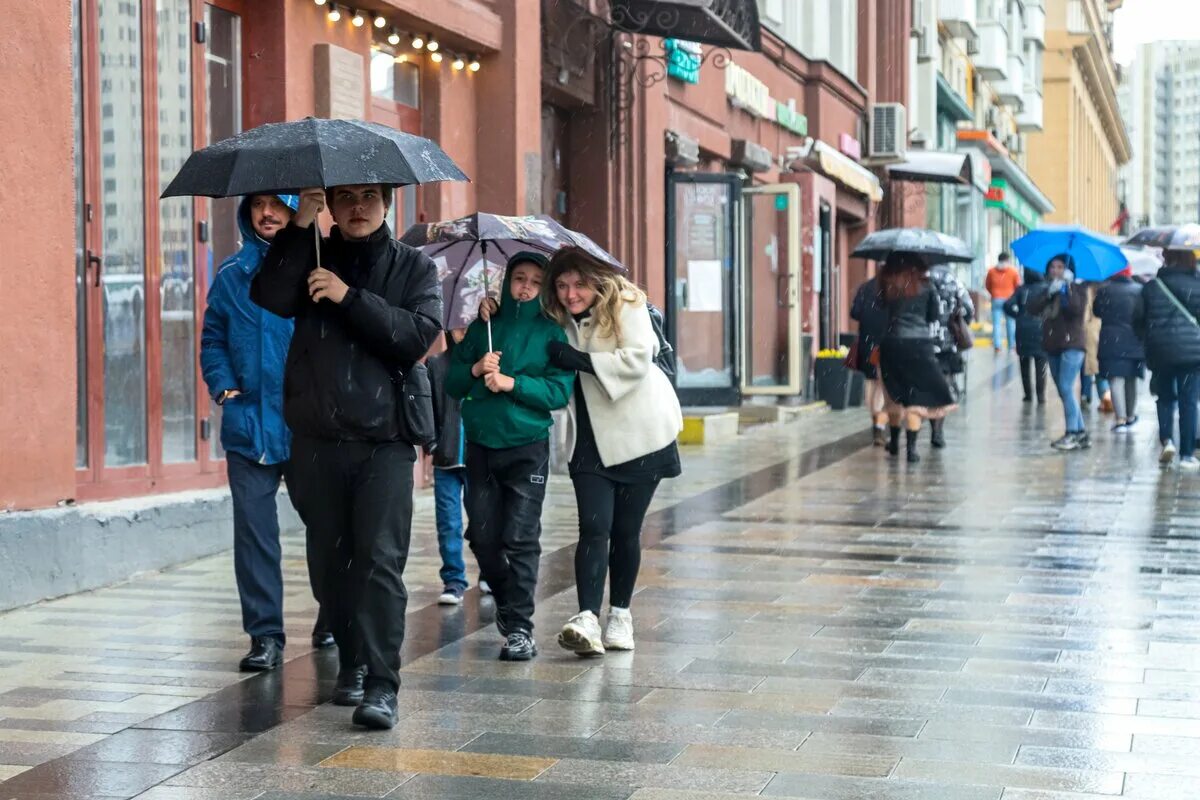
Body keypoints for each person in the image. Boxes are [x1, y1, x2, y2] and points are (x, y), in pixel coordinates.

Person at [251, 184, 443, 730]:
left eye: (368, 196)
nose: (358, 206)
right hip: (317, 439)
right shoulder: (312, 251)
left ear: (386, 203)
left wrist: (347, 296)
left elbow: (416, 336)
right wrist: (298, 226)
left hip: (385, 441)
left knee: (380, 561)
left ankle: (382, 685)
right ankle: (352, 661)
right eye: (345, 198)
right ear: (331, 207)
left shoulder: (414, 268)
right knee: (330, 564)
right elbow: (270, 296)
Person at [532, 247, 684, 657]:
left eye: (579, 284)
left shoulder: (627, 303)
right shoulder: (555, 317)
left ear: (596, 279)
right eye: (562, 285)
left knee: (625, 531)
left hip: (642, 433)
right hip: (589, 439)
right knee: (594, 527)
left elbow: (637, 360)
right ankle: (586, 617)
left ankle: (620, 615)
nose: (570, 294)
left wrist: (580, 360)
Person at [446, 252, 575, 662]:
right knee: (483, 537)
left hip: (527, 446)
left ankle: (520, 627)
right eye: (519, 278)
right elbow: (450, 382)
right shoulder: (486, 325)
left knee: (520, 537)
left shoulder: (553, 332)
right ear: (506, 282)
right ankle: (506, 601)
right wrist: (474, 369)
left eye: (536, 282)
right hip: (482, 445)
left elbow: (559, 391)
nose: (525, 287)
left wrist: (511, 383)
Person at [202, 193, 311, 673]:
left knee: (327, 529)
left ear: (295, 211)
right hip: (248, 426)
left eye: (279, 205)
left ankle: (332, 617)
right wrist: (224, 386)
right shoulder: (231, 276)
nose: (267, 213)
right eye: (258, 205)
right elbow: (213, 339)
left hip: (307, 425)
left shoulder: (317, 272)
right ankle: (265, 634)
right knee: (254, 535)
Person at [876, 253, 957, 463]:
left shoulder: (887, 284)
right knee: (916, 397)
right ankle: (911, 450)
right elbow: (933, 316)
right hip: (919, 345)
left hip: (891, 344)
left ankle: (894, 442)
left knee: (893, 396)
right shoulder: (926, 286)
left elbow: (878, 310)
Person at [1133, 249, 1200, 468]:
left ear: (1167, 259)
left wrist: (1150, 339)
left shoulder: (1152, 287)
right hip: (1192, 352)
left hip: (1160, 351)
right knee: (1188, 401)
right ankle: (1187, 454)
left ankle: (1167, 441)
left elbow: (1137, 319)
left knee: (1164, 397)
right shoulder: (1197, 285)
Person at [426, 329, 471, 605]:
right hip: (446, 458)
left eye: (468, 325)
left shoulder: (488, 359)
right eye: (456, 325)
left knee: (483, 523)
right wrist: (432, 444)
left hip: (480, 459)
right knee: (448, 523)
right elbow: (427, 408)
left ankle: (491, 573)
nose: (462, 332)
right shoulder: (436, 364)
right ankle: (454, 580)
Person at [1028, 256, 1089, 451]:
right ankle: (1080, 432)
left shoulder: (1077, 288)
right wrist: (1049, 292)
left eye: (1060, 267)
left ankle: (1071, 433)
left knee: (1065, 386)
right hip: (1052, 344)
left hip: (1073, 344)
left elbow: (1075, 310)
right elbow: (1032, 308)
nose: (1056, 271)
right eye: (1053, 267)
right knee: (1063, 389)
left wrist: (1067, 289)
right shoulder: (1048, 288)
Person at [1093, 266, 1145, 432]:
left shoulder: (1104, 290)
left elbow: (1097, 311)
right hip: (1135, 340)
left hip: (1111, 340)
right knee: (1131, 379)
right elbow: (1144, 315)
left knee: (1115, 379)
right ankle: (1130, 416)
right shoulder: (1139, 290)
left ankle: (1120, 419)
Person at [929, 265, 975, 448]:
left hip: (923, 343)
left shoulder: (920, 281)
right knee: (943, 386)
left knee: (926, 388)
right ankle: (938, 431)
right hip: (948, 344)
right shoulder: (954, 282)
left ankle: (917, 433)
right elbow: (969, 310)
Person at [850, 275, 889, 446]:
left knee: (870, 381)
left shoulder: (865, 287)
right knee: (881, 384)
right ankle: (878, 426)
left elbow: (855, 313)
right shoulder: (893, 289)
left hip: (866, 341)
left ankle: (875, 420)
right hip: (884, 342)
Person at [1004, 268, 1049, 404]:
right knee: (1041, 364)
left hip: (1023, 330)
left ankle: (1028, 394)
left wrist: (1018, 316)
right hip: (1041, 329)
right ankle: (1041, 396)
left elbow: (1007, 305)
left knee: (1024, 364)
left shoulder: (1021, 289)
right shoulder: (1046, 289)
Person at [1081, 284, 1114, 412]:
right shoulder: (1108, 290)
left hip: (1091, 331)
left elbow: (1085, 314)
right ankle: (1104, 396)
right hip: (1106, 330)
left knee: (1089, 366)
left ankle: (1088, 395)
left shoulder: (1087, 290)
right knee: (1100, 366)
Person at [986, 252, 1020, 353]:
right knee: (1011, 323)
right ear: (1008, 260)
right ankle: (1012, 345)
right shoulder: (1013, 271)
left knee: (996, 324)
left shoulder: (991, 271)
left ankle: (997, 345)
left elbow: (987, 285)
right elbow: (1017, 286)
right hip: (1010, 300)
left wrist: (994, 293)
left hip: (996, 299)